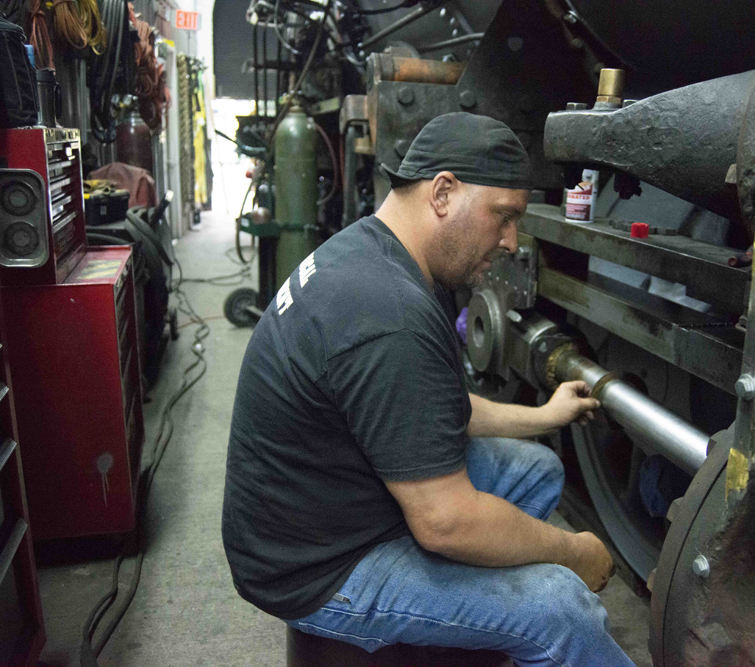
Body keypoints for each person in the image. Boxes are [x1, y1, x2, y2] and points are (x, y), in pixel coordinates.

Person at [223, 112, 635, 666]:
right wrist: (573, 553)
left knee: (538, 470)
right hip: (316, 566)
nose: (512, 242)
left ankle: (477, 635)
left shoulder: (382, 253)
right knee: (562, 608)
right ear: (443, 192)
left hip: (335, 501)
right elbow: (444, 521)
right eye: (505, 217)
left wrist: (547, 415)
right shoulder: (388, 313)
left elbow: (435, 411)